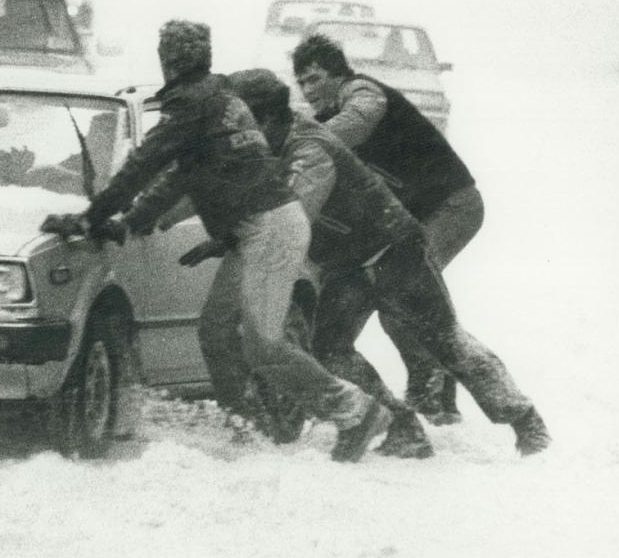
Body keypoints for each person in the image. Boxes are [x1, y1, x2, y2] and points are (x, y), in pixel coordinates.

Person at [40, 20, 393, 462]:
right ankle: (250, 426)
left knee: (264, 342)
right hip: (257, 227)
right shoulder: (215, 101)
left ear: (168, 61)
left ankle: (356, 411)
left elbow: (144, 165)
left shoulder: (194, 105)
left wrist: (91, 216)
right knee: (217, 331)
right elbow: (179, 176)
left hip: (271, 226)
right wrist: (129, 222)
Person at [226, 69, 551, 457]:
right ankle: (401, 427)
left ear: (266, 119)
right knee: (330, 347)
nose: (235, 137)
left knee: (443, 339)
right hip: (348, 264)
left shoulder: (308, 147)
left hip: (394, 249)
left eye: (241, 124)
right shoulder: (272, 148)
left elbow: (293, 211)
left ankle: (526, 421)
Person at [292, 32, 482, 425]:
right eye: (301, 82)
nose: (308, 89)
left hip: (452, 205)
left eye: (314, 78)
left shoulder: (361, 92)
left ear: (338, 73)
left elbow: (358, 122)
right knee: (404, 297)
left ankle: (434, 394)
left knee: (406, 294)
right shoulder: (327, 120)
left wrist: (301, 137)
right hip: (414, 217)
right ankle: (432, 396)